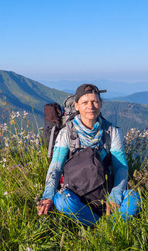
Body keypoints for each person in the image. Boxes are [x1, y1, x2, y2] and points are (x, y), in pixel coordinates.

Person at [37, 84, 140, 226]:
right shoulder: (66, 133)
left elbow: (120, 168)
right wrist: (48, 196)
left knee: (134, 199)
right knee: (61, 200)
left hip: (106, 193)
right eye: (85, 102)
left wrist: (115, 196)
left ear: (101, 104)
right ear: (76, 106)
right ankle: (104, 227)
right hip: (76, 193)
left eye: (95, 101)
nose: (90, 106)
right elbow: (56, 166)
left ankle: (96, 225)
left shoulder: (111, 132)